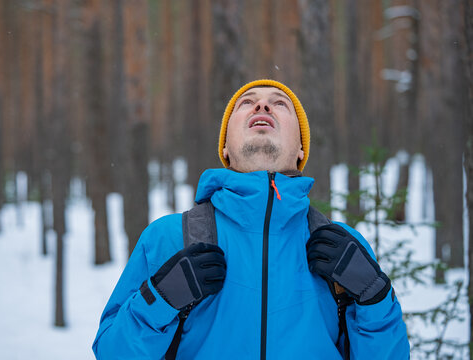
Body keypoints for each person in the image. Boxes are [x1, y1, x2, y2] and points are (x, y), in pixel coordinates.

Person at [92, 79, 410, 359]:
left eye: (279, 104)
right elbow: (111, 353)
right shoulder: (170, 237)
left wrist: (376, 297)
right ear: (226, 149)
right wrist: (159, 298)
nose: (261, 104)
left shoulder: (341, 248)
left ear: (301, 148)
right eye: (247, 102)